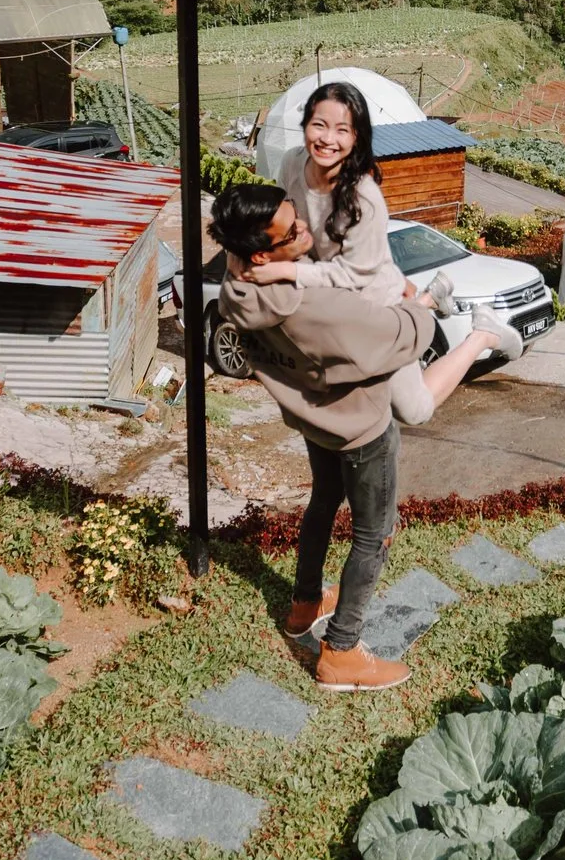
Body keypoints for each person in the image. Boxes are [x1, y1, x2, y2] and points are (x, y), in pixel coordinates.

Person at [210, 181, 515, 691]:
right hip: (359, 430)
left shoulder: (237, 287)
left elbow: (241, 258)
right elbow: (403, 338)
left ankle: (305, 603)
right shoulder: (314, 309)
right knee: (375, 535)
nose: (305, 226)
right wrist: (420, 304)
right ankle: (342, 652)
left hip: (312, 418)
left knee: (323, 503)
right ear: (263, 253)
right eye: (294, 229)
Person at [237, 80, 517, 422]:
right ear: (305, 125)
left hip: (371, 300)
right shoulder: (293, 164)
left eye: (342, 129)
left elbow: (357, 274)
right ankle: (431, 296)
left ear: (357, 138)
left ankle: (483, 333)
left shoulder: (363, 197)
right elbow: (282, 223)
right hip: (335, 292)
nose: (327, 139)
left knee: (413, 410)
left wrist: (286, 271)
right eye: (319, 125)